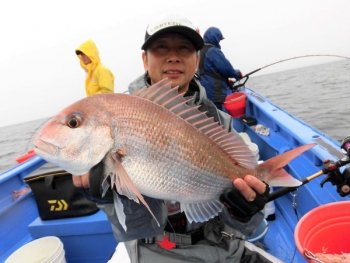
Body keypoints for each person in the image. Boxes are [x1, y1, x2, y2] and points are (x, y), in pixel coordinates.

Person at [73, 14, 283, 263]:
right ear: (144, 60)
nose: (173, 56)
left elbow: (244, 229)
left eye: (184, 48)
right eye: (161, 47)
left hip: (225, 248)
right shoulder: (119, 118)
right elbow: (134, 230)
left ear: (196, 60)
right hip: (158, 253)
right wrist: (105, 196)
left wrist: (246, 211)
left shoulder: (219, 123)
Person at [197, 27, 242, 110]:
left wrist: (224, 80)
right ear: (215, 38)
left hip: (202, 92)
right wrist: (237, 74)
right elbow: (227, 69)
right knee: (216, 116)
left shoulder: (200, 51)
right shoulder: (213, 51)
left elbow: (208, 70)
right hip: (214, 92)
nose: (219, 41)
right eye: (219, 39)